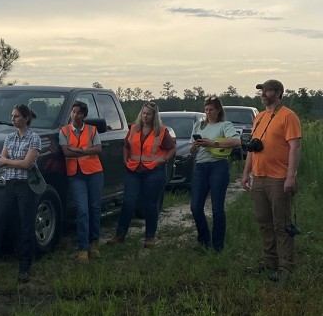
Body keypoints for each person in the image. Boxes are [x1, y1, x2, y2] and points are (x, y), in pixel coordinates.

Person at [241, 80, 301, 282]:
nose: (263, 94)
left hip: (279, 178)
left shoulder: (288, 116)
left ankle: (286, 267)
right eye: (261, 90)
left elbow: (295, 147)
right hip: (260, 177)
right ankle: (269, 261)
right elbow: (252, 147)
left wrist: (290, 176)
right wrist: (246, 173)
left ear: (278, 92)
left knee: (281, 224)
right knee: (264, 222)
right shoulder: (258, 117)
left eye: (266, 90)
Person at [0, 104, 41, 283]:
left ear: (26, 118)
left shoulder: (34, 138)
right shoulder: (9, 138)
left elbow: (27, 164)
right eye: (12, 116)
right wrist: (10, 161)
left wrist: (9, 161)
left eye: (16, 116)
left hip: (26, 185)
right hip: (10, 184)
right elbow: (1, 161)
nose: (13, 119)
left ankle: (25, 266)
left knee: (26, 224)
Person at [109, 102, 176, 247]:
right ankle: (120, 235)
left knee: (150, 205)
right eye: (144, 113)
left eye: (149, 114)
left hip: (154, 172)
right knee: (128, 202)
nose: (145, 116)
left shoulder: (161, 132)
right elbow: (126, 146)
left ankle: (149, 238)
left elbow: (172, 149)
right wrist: (125, 160)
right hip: (134, 171)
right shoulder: (133, 128)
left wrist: (164, 159)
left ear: (154, 116)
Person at [189, 96, 241, 252]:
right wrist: (195, 147)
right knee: (195, 207)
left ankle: (218, 246)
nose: (208, 112)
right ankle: (204, 239)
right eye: (206, 109)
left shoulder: (225, 125)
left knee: (217, 208)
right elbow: (192, 150)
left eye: (211, 109)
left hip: (218, 166)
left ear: (218, 110)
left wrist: (213, 143)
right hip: (201, 166)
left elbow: (237, 141)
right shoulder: (199, 125)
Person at [59, 101, 103, 261]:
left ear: (84, 115)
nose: (75, 115)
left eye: (78, 112)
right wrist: (86, 151)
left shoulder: (92, 130)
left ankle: (94, 243)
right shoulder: (63, 131)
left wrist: (80, 149)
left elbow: (98, 148)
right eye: (73, 112)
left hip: (94, 172)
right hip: (76, 174)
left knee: (95, 208)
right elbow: (66, 153)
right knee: (82, 209)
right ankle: (83, 247)